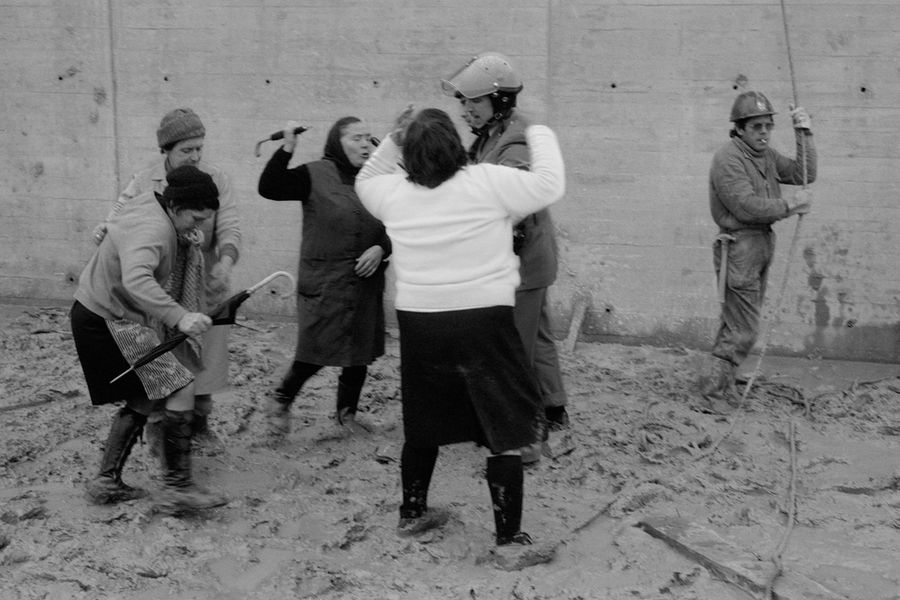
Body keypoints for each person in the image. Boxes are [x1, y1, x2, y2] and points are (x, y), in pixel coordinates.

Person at [355, 107, 565, 562]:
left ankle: (412, 513)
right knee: (503, 423)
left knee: (422, 417)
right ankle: (508, 542)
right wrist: (538, 129)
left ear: (410, 155)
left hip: (420, 320)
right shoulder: (487, 181)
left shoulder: (392, 193)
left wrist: (391, 139)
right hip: (484, 318)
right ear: (455, 148)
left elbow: (365, 178)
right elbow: (550, 184)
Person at [72, 165, 229, 513]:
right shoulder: (153, 229)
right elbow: (137, 280)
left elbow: (120, 227)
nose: (198, 228)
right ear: (176, 207)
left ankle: (106, 482)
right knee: (180, 385)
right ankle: (177, 487)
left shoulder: (152, 203)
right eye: (195, 219)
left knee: (149, 392)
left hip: (99, 312)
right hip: (107, 319)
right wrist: (180, 316)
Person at [441, 52, 569, 463]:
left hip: (521, 263)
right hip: (529, 260)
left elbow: (513, 196)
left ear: (499, 100)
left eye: (474, 102)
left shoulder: (515, 140)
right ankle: (555, 412)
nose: (466, 110)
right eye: (463, 102)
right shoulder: (491, 134)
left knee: (513, 352)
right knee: (538, 339)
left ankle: (524, 442)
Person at [93, 108, 241, 454]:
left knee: (205, 359)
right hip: (161, 286)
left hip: (205, 283)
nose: (195, 156)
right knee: (163, 359)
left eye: (199, 148)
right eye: (187, 149)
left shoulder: (217, 179)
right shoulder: (146, 179)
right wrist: (105, 226)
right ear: (167, 150)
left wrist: (225, 261)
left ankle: (200, 422)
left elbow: (230, 225)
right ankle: (160, 427)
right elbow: (121, 212)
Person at [257, 116, 391, 441]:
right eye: (356, 138)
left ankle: (347, 415)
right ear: (336, 143)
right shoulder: (313, 174)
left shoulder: (378, 179)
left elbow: (398, 222)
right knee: (315, 350)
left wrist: (381, 247)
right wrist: (287, 149)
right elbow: (269, 187)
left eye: (368, 137)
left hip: (365, 282)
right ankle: (281, 399)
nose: (364, 144)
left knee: (359, 352)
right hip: (326, 282)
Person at [703, 91, 816, 411]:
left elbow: (803, 173)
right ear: (739, 129)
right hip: (740, 246)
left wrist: (804, 133)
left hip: (760, 243)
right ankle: (711, 393)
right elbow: (745, 206)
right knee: (744, 328)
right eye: (756, 126)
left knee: (735, 323)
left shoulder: (765, 155)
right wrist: (789, 205)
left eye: (768, 125)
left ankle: (723, 383)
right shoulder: (728, 158)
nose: (764, 132)